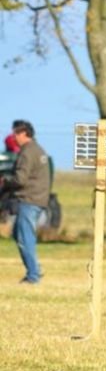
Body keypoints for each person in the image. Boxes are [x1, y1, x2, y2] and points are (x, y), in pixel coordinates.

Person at [0, 120, 51, 284]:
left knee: (24, 237)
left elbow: (20, 179)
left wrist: (4, 181)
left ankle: (33, 276)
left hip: (29, 200)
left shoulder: (27, 152)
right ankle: (34, 268)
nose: (14, 137)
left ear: (24, 134)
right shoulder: (37, 149)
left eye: (16, 133)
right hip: (37, 199)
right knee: (19, 234)